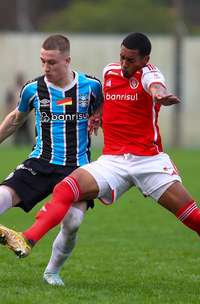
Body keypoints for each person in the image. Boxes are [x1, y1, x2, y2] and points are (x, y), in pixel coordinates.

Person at [0, 32, 200, 289]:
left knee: (193, 218)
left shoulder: (150, 74)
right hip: (113, 160)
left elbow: (155, 85)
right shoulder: (109, 73)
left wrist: (160, 94)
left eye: (131, 60)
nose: (125, 64)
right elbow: (107, 98)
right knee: (66, 188)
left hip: (148, 161)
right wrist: (99, 114)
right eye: (122, 58)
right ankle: (27, 239)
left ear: (145, 59)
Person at [0, 34, 102, 285]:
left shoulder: (91, 87)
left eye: (52, 63)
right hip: (40, 162)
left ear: (67, 61)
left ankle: (52, 272)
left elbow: (105, 110)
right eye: (42, 61)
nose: (46, 67)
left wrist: (99, 118)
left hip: (77, 167)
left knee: (74, 222)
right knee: (2, 195)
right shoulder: (33, 89)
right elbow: (15, 120)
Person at [5, 72, 33, 146]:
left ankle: (29, 145)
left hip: (25, 114)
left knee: (27, 133)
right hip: (16, 113)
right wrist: (9, 110)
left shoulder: (26, 89)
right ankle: (16, 146)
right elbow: (9, 102)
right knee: (16, 132)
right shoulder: (12, 90)